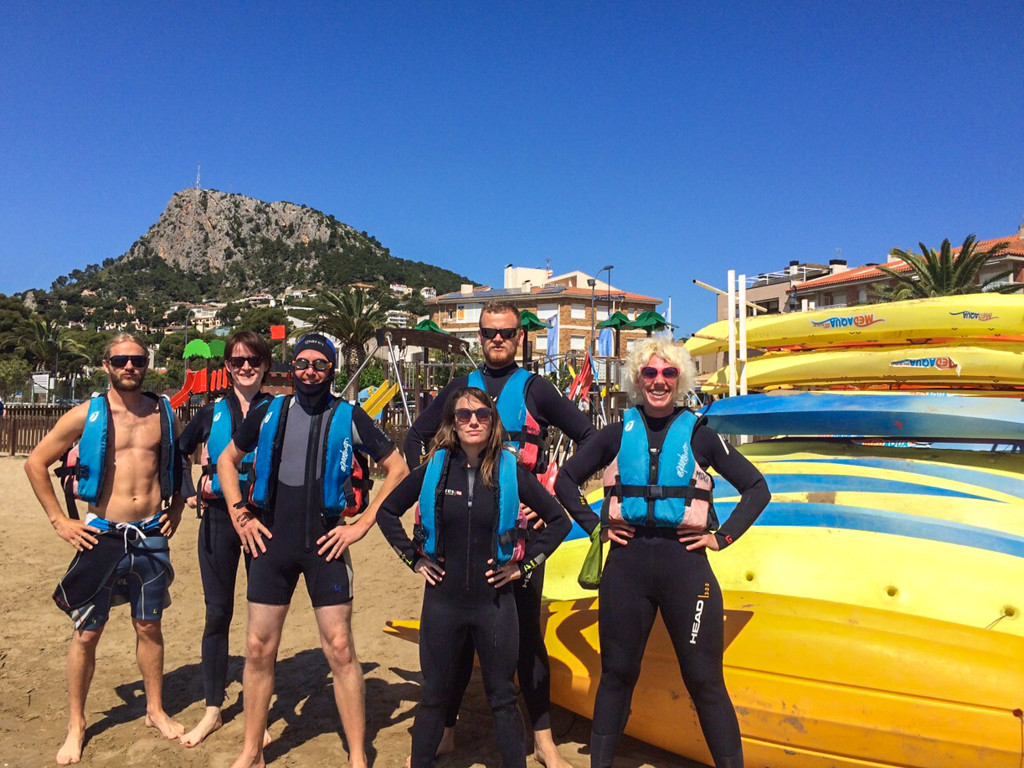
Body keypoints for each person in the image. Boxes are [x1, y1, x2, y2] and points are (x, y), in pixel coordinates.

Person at [554, 338, 770, 768]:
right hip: (627, 567)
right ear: (637, 378)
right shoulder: (616, 433)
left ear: (680, 380)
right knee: (617, 675)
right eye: (650, 373)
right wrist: (597, 527)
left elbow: (757, 488)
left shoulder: (701, 435)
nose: (659, 381)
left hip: (685, 568)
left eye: (668, 373)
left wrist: (721, 537)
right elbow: (564, 481)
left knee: (705, 680)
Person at [404, 300, 593, 768]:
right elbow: (414, 439)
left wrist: (550, 488)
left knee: (528, 638)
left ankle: (544, 740)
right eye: (489, 332)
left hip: (519, 541)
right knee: (458, 638)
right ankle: (445, 729)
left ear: (520, 338)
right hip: (460, 539)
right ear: (479, 336)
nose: (497, 340)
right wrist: (429, 488)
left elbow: (590, 438)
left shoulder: (537, 390)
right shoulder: (459, 391)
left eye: (507, 333)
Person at [218, 333, 408, 768]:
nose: (309, 371)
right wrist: (239, 515)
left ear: (331, 371)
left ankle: (358, 754)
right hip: (271, 540)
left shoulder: (350, 415)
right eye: (301, 363)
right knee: (258, 646)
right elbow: (227, 461)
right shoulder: (268, 410)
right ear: (291, 367)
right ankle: (252, 750)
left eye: (319, 365)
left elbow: (397, 468)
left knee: (340, 648)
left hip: (326, 542)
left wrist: (361, 525)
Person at [379, 386, 571, 768]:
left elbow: (558, 522)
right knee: (434, 695)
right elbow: (387, 513)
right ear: (451, 421)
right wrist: (414, 561)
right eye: (464, 415)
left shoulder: (510, 470)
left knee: (501, 697)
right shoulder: (434, 468)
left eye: (482, 415)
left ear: (492, 422)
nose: (472, 422)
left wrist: (522, 566)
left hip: (495, 605)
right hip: (442, 603)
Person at [24, 332, 185, 765]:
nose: (129, 367)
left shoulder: (163, 412)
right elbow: (35, 462)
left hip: (151, 534)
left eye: (137, 360)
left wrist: (177, 510)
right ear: (106, 365)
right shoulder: (86, 414)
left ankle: (155, 710)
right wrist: (61, 520)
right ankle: (76, 725)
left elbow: (177, 461)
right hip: (102, 535)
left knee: (149, 626)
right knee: (87, 633)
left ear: (146, 363)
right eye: (120, 360)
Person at [176, 331, 274, 747]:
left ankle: (258, 715)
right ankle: (213, 708)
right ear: (227, 367)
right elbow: (175, 451)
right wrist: (185, 493)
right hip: (217, 519)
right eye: (237, 361)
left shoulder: (280, 411)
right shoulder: (210, 411)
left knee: (261, 622)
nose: (246, 367)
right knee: (217, 613)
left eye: (253, 360)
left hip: (263, 521)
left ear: (265, 365)